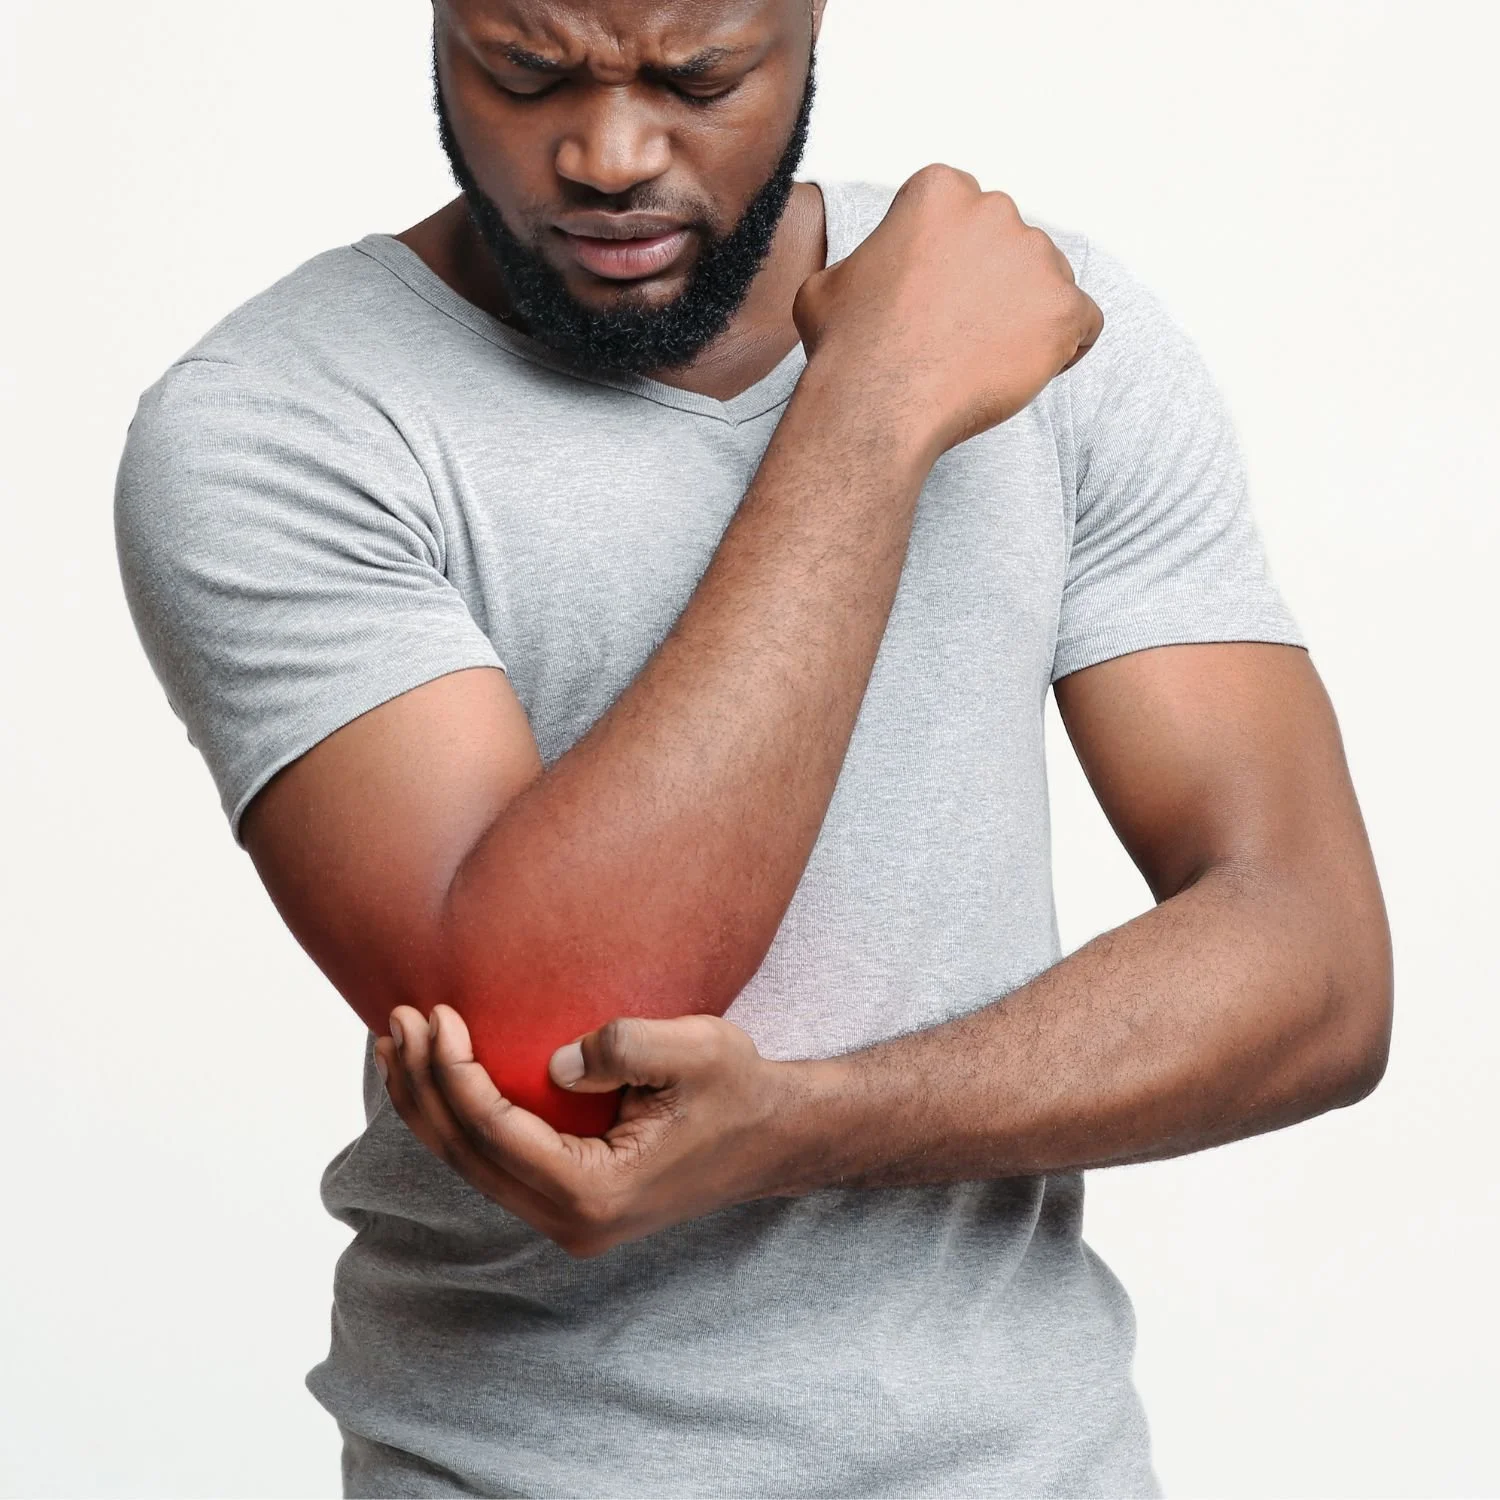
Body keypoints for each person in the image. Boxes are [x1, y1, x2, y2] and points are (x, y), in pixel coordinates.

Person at [113, 0, 1393, 1494]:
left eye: (697, 75)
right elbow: (558, 1048)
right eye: (525, 75)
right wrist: (870, 408)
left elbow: (1317, 972)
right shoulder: (283, 422)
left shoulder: (1046, 333)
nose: (607, 152)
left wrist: (818, 1123)